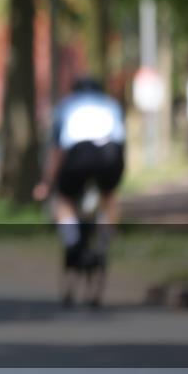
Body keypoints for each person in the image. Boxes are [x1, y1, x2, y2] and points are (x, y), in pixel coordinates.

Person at [33, 76, 126, 307]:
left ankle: (72, 239)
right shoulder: (112, 105)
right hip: (110, 154)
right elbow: (122, 144)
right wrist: (116, 180)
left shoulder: (66, 106)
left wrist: (46, 183)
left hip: (78, 154)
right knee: (109, 197)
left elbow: (57, 151)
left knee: (63, 199)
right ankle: (104, 239)